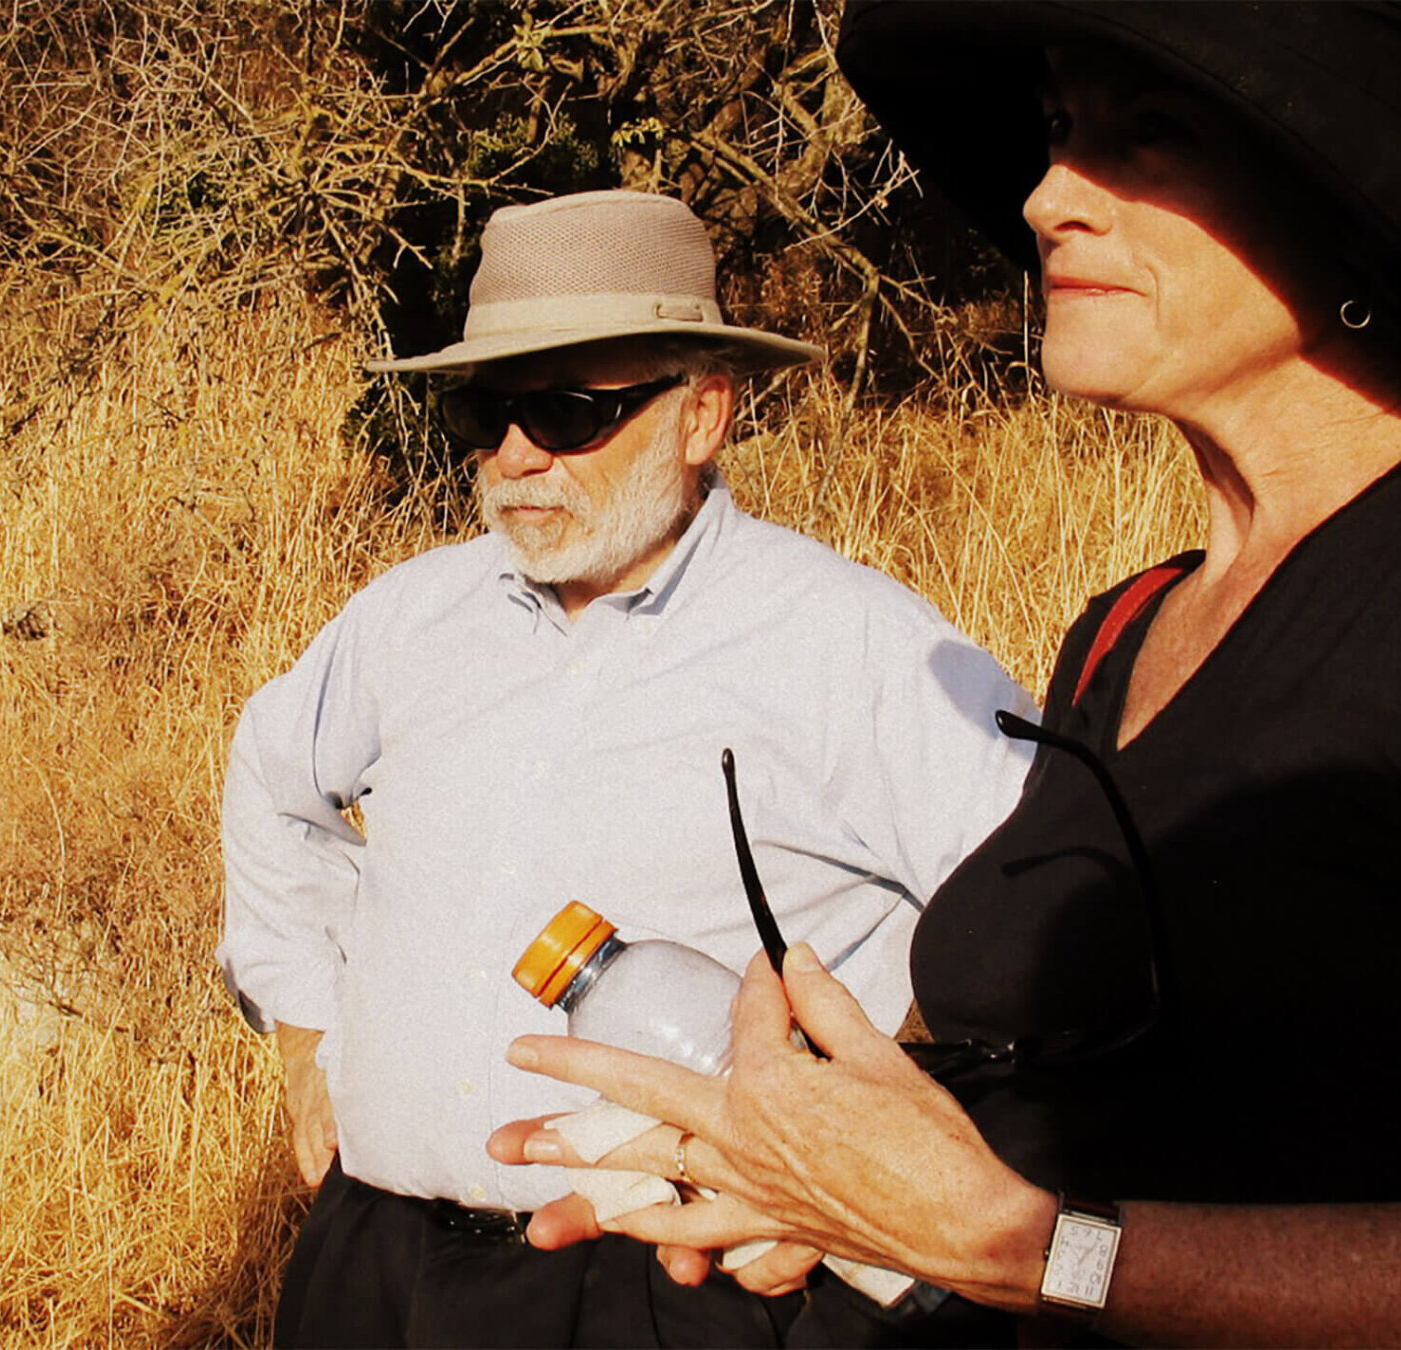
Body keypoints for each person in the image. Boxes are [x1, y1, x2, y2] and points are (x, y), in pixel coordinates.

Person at [491, 3, 1401, 1345]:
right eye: (1059, 130)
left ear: (1352, 204)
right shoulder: (1123, 629)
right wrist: (835, 1186)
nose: (1051, 193)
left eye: (1148, 133)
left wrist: (1026, 1248)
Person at [218, 189, 1035, 1347]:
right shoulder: (414, 616)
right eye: (485, 411)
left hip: (662, 1296)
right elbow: (272, 780)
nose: (514, 457)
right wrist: (306, 1036)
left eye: (567, 411)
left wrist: (872, 1167)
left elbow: (1051, 935)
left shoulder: (859, 647)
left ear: (702, 414)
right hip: (371, 1263)